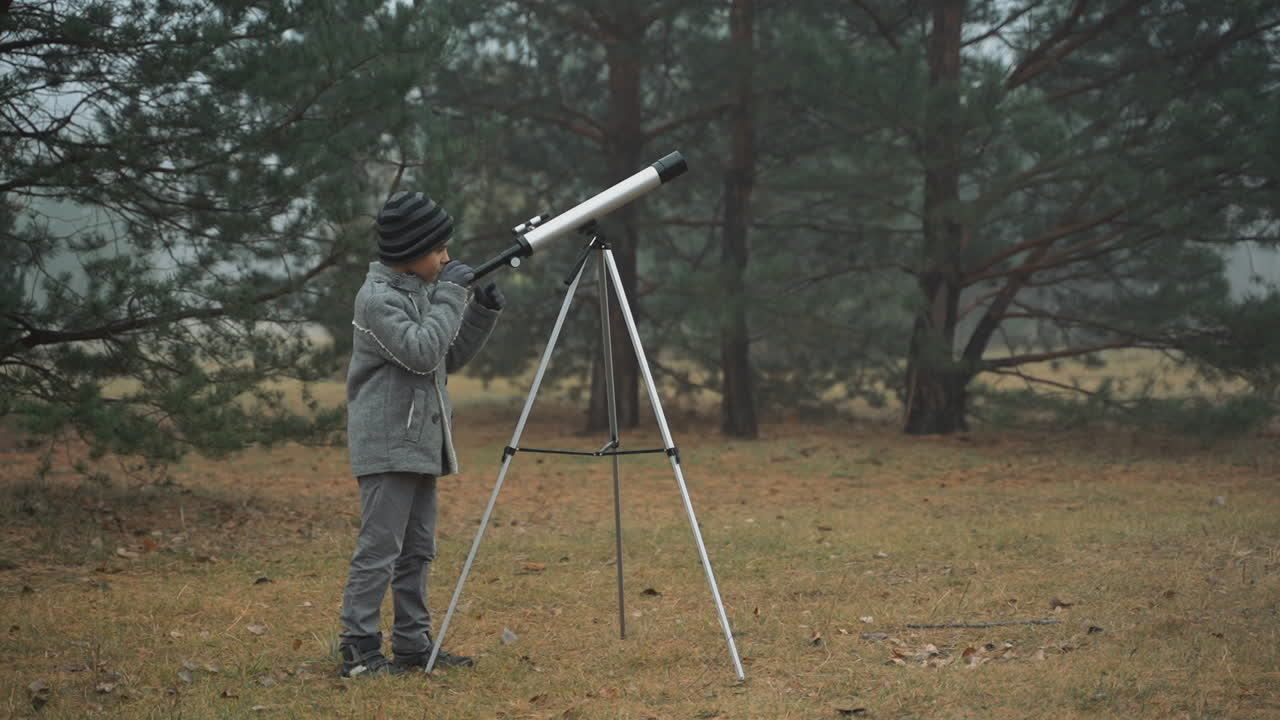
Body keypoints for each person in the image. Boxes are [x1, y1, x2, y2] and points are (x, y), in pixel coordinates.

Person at [338, 190, 506, 677]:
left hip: (419, 442)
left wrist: (478, 314)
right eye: (439, 250)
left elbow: (444, 358)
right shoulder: (377, 300)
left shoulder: (419, 293)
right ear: (412, 251)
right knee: (380, 550)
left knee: (417, 550)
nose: (447, 258)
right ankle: (358, 647)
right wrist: (453, 295)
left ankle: (413, 644)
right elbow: (420, 351)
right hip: (388, 445)